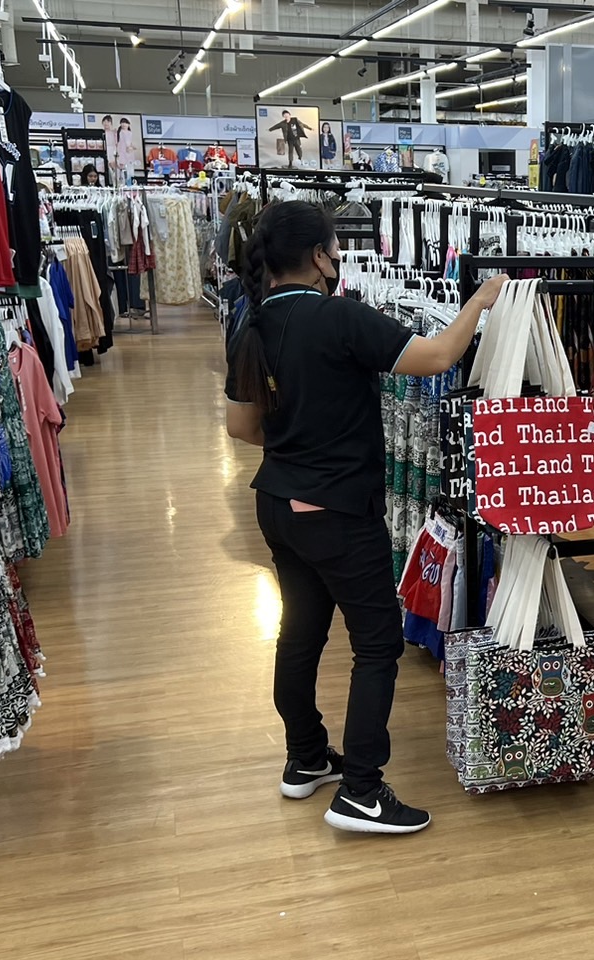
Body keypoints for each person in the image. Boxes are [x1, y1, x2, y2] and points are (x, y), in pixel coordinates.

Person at [224, 200, 507, 834]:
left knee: (300, 633)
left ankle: (305, 757)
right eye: (334, 249)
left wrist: (298, 443)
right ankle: (361, 791)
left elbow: (241, 426)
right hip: (338, 511)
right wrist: (480, 301)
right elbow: (438, 357)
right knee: (377, 644)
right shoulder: (340, 318)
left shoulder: (252, 323)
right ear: (321, 256)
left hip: (278, 504)